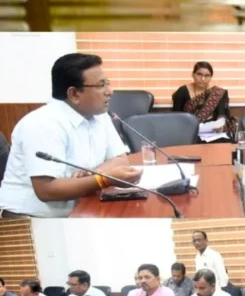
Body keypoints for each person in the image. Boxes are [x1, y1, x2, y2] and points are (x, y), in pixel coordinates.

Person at [0, 53, 140, 218]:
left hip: (80, 211)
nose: (110, 91)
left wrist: (94, 173)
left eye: (108, 83)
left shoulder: (99, 115)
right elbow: (46, 190)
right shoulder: (43, 124)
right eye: (101, 85)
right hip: (31, 219)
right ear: (74, 94)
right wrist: (103, 180)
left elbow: (120, 159)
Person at [171, 62, 237, 142]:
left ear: (211, 77)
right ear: (193, 75)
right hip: (190, 132)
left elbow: (221, 115)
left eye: (207, 76)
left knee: (229, 143)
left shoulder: (217, 93)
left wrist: (220, 125)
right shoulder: (182, 91)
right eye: (199, 74)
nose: (203, 79)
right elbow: (175, 118)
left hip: (212, 132)